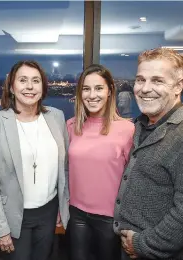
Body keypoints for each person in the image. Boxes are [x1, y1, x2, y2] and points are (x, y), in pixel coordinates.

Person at [0, 60, 70, 260]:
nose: (30, 86)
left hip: (49, 211)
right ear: (11, 87)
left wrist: (62, 208)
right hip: (13, 216)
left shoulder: (56, 117)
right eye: (23, 80)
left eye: (35, 81)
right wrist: (0, 228)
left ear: (43, 86)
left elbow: (65, 168)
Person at [114, 48, 183, 260]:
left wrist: (142, 244)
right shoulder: (138, 126)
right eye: (140, 79)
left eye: (157, 81)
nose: (145, 89)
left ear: (178, 86)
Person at [66, 64, 135, 260]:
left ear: (109, 91)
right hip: (77, 214)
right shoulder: (71, 126)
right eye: (86, 89)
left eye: (99, 88)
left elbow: (134, 179)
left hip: (111, 219)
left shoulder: (127, 129)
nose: (92, 95)